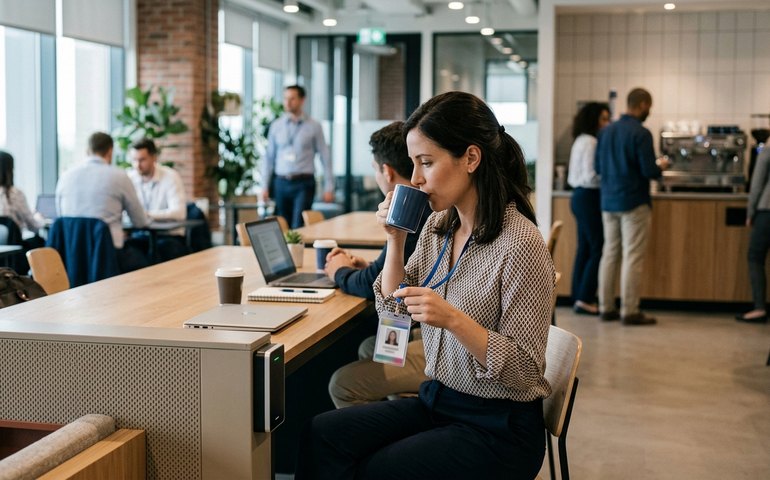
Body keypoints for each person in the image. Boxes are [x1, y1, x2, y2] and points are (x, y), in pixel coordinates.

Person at [296, 91, 555, 480]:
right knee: (323, 433)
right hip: (441, 400)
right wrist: (395, 239)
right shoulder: (440, 226)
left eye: (426, 163)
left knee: (376, 469)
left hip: (498, 427)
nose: (415, 178)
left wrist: (454, 320)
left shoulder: (520, 244)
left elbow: (526, 372)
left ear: (470, 158)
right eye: (414, 164)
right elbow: (392, 314)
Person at [325, 121, 428, 409]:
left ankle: (388, 431)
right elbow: (397, 272)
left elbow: (378, 289)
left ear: (386, 171)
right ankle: (394, 409)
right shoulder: (422, 207)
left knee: (343, 382)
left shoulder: (411, 207)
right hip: (421, 325)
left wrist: (340, 272)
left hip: (435, 336)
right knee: (370, 346)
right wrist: (370, 267)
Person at [595, 88, 669, 326]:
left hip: (608, 201)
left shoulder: (606, 132)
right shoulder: (642, 133)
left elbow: (598, 166)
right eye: (649, 107)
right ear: (643, 104)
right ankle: (630, 311)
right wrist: (662, 166)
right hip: (634, 202)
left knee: (609, 254)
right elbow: (649, 171)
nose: (649, 111)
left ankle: (605, 307)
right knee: (632, 256)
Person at [56, 132, 150, 273]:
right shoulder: (119, 176)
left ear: (87, 151)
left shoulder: (66, 176)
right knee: (146, 261)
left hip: (71, 258)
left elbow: (61, 215)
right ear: (110, 151)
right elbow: (140, 222)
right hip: (108, 256)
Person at [261, 85, 334, 229]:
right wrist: (264, 186)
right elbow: (269, 157)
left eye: (292, 98)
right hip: (281, 183)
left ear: (302, 100)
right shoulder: (276, 126)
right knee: (281, 225)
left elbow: (325, 157)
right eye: (285, 98)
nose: (288, 102)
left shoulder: (314, 126)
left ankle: (299, 252)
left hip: (303, 183)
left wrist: (329, 187)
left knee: (298, 226)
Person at [568, 102, 610, 315]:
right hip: (588, 196)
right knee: (597, 247)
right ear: (593, 120)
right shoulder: (592, 142)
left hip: (578, 196)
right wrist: (610, 179)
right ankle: (585, 297)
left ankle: (578, 296)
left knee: (585, 248)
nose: (607, 123)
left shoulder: (580, 140)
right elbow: (591, 176)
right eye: (603, 119)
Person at [126, 138, 188, 262]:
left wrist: (146, 215)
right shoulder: (130, 178)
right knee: (127, 254)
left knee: (162, 252)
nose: (137, 165)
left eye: (142, 160)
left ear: (154, 157)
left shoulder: (170, 177)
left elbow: (179, 213)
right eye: (134, 160)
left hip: (168, 236)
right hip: (141, 236)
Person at [736, 145, 770, 323]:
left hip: (767, 209)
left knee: (755, 257)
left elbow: (756, 183)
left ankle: (759, 308)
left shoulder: (768, 149)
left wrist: (750, 213)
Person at [0, 150, 46, 270]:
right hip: (14, 256)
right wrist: (39, 219)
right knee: (40, 241)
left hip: (5, 254)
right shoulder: (14, 193)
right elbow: (33, 226)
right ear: (10, 170)